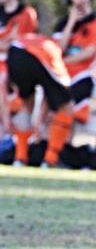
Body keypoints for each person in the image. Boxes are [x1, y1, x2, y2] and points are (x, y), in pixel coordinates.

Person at [5, 33, 76, 167]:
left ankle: (20, 158)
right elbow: (61, 91)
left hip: (15, 53)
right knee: (66, 107)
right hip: (34, 55)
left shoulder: (33, 38)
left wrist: (39, 120)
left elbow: (47, 93)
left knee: (26, 103)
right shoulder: (52, 48)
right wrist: (40, 120)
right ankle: (51, 159)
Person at [49, 0, 96, 159]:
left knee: (72, 100)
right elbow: (58, 49)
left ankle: (61, 152)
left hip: (83, 74)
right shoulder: (63, 23)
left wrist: (62, 60)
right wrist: (71, 22)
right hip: (61, 75)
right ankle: (56, 151)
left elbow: (91, 51)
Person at [0, 0, 37, 164]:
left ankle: (21, 154)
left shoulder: (27, 14)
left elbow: (18, 44)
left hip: (19, 67)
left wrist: (7, 42)